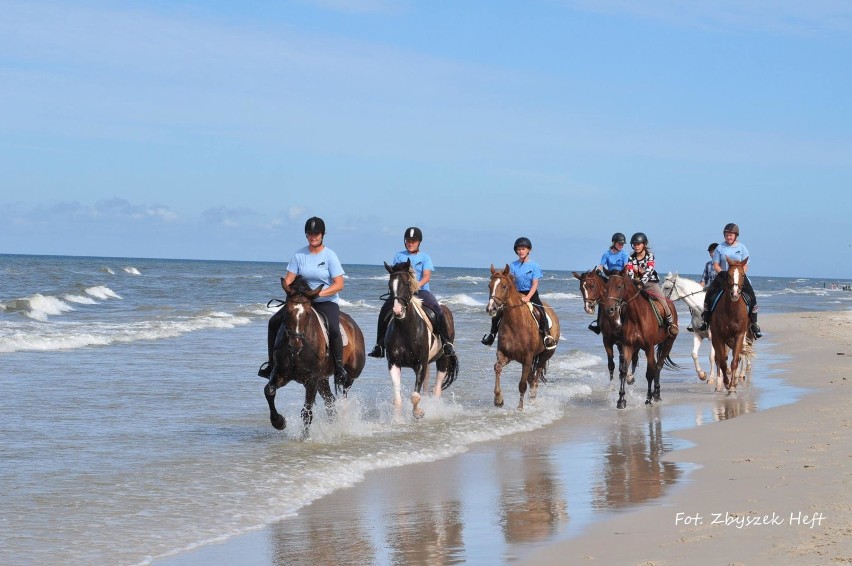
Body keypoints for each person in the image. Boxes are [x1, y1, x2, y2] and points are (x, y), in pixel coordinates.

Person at [258, 216, 349, 382]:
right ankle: (272, 364)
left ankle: (340, 367)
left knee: (334, 330)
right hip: (301, 303)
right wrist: (289, 291)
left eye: (316, 234)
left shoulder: (330, 256)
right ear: (306, 235)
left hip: (325, 301)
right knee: (273, 322)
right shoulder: (299, 255)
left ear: (322, 235)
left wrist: (317, 294)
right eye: (310, 234)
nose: (313, 237)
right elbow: (289, 279)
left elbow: (339, 284)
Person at [368, 227, 455, 358]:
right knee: (384, 310)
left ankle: (446, 343)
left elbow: (427, 276)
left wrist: (416, 286)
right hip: (402, 293)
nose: (410, 243)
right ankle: (380, 345)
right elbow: (396, 274)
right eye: (408, 241)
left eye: (413, 241)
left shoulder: (425, 257)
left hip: (421, 291)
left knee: (437, 309)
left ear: (419, 242)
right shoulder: (399, 256)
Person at [481, 237, 556, 349]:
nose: (521, 251)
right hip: (516, 293)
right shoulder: (512, 266)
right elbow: (509, 282)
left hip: (530, 293)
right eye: (519, 249)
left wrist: (528, 297)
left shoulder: (534, 266)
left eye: (523, 249)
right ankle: (492, 335)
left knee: (541, 312)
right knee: (498, 314)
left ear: (528, 250)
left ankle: (546, 335)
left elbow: (535, 284)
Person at [697, 223, 761, 338]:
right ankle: (706, 321)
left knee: (751, 296)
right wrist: (723, 273)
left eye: (730, 235)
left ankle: (754, 324)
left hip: (738, 276)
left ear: (736, 235)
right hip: (723, 276)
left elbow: (746, 264)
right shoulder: (720, 248)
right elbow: (715, 264)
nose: (728, 237)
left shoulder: (742, 248)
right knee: (709, 294)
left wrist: (741, 274)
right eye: (726, 235)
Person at [625, 232, 678, 336]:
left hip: (650, 283)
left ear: (644, 244)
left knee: (663, 300)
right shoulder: (631, 258)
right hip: (635, 284)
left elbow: (649, 270)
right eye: (634, 244)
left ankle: (670, 323)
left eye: (638, 244)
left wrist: (642, 281)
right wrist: (634, 281)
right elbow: (630, 272)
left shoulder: (650, 256)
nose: (636, 246)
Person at [588, 232, 630, 334]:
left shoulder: (624, 254)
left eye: (622, 244)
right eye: (619, 243)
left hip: (621, 278)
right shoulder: (606, 254)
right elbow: (601, 265)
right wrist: (598, 270)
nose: (621, 245)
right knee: (602, 299)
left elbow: (626, 266)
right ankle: (599, 324)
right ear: (614, 243)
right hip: (611, 279)